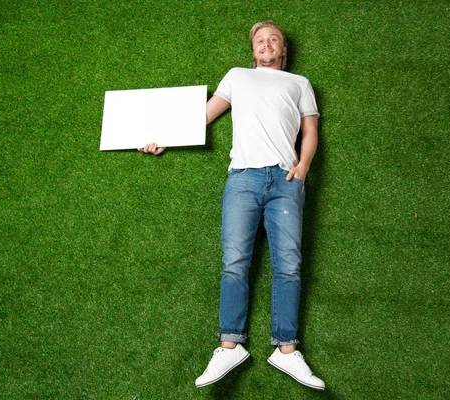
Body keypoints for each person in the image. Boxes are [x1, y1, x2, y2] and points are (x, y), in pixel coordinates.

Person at [139, 21, 324, 390]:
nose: (267, 44)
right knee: (234, 261)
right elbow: (203, 116)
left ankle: (286, 350)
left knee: (289, 265)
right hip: (243, 178)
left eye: (274, 40)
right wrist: (162, 139)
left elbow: (310, 131)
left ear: (283, 51)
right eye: (260, 40)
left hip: (286, 181)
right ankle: (230, 345)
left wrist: (302, 168)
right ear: (253, 51)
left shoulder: (299, 84)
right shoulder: (238, 77)